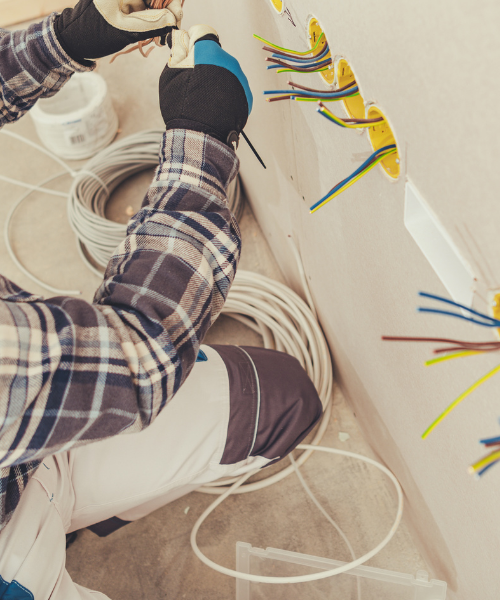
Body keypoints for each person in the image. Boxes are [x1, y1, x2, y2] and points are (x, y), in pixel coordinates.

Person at [0, 2, 323, 599]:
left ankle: (82, 507)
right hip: (12, 559)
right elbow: (138, 354)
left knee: (284, 399)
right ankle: (54, 538)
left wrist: (71, 38)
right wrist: (202, 137)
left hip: (23, 439)